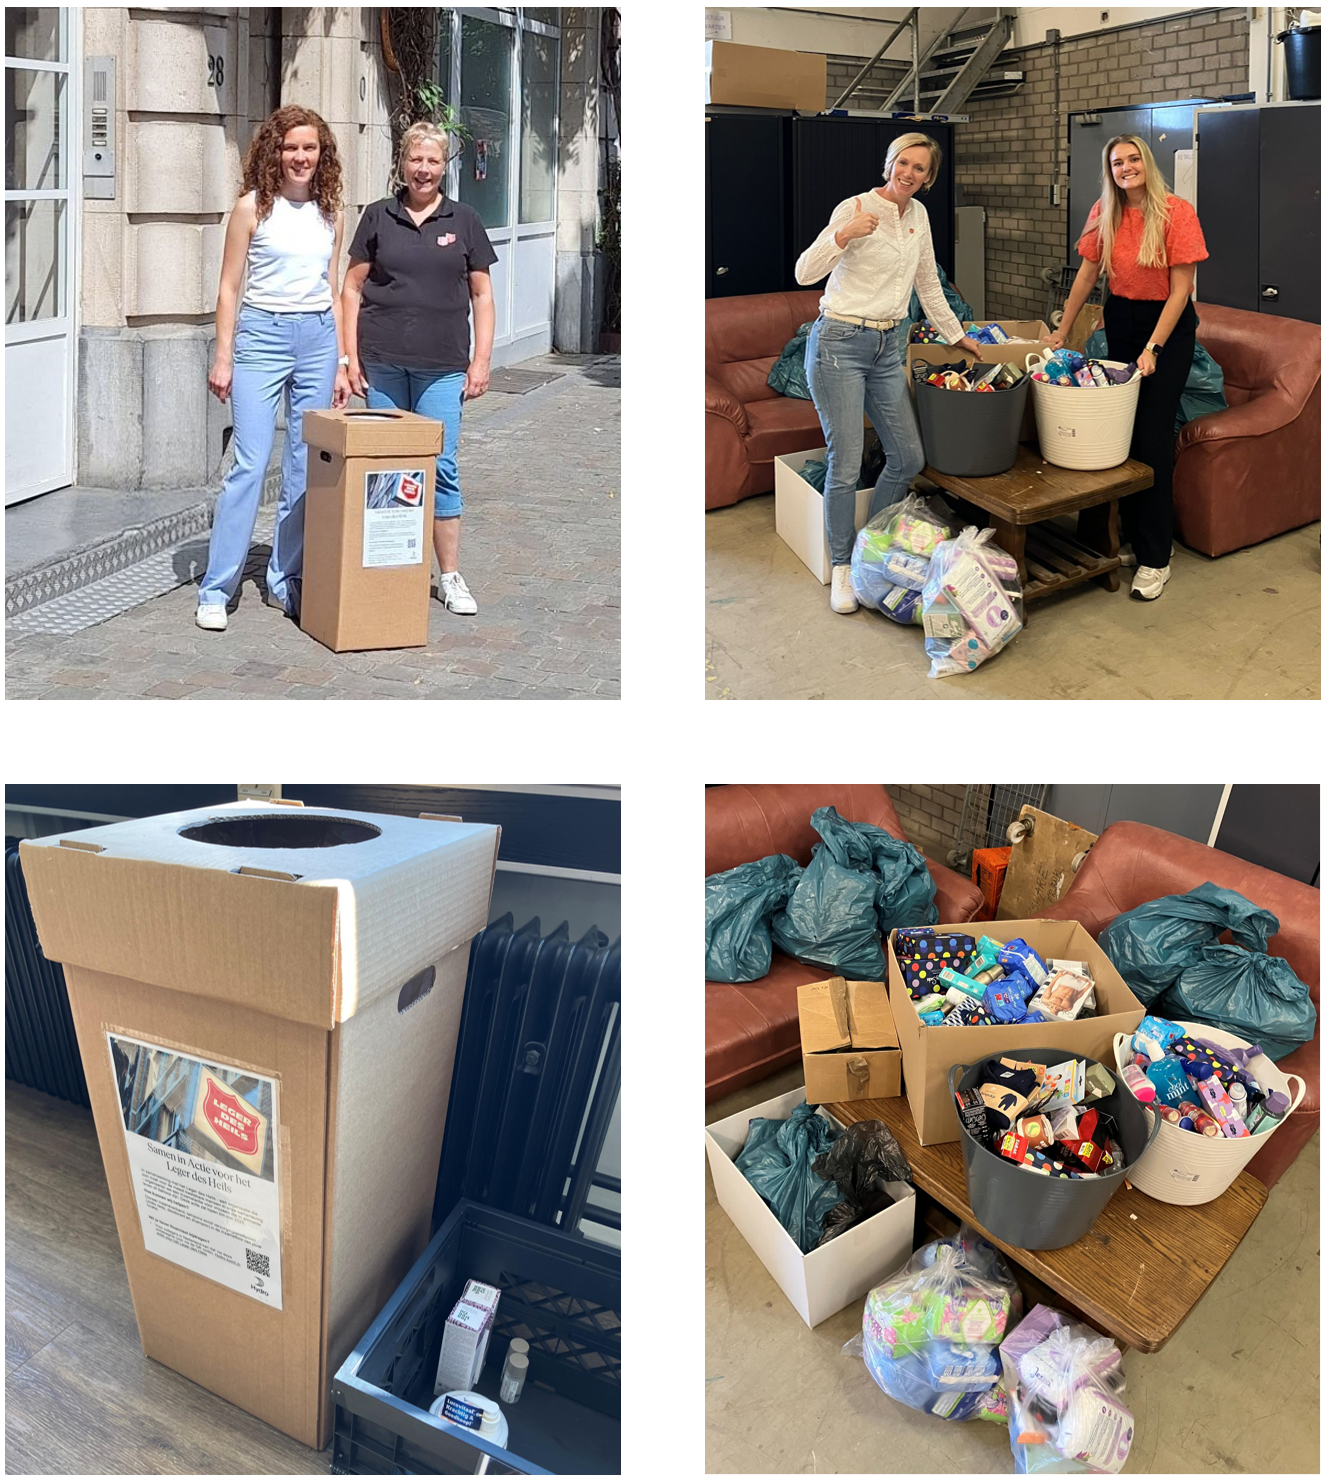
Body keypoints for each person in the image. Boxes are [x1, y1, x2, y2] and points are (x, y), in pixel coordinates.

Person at [795, 132, 984, 614]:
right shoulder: (854, 207)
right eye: (904, 163)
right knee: (846, 460)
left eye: (921, 168)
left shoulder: (918, 216)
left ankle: (870, 548)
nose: (910, 173)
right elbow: (803, 273)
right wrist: (842, 236)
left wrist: (955, 335)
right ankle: (843, 564)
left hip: (889, 344)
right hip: (839, 341)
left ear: (928, 179)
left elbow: (927, 282)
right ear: (889, 165)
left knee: (908, 455)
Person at [197, 106, 350, 631]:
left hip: (317, 340)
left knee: (305, 469)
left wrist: (342, 362)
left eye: (309, 148)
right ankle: (217, 587)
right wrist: (224, 355)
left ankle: (285, 581)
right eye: (291, 148)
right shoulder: (251, 209)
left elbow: (332, 291)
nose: (300, 157)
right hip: (261, 338)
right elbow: (228, 288)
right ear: (274, 152)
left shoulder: (332, 212)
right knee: (250, 462)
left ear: (321, 153)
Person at [342, 121, 497, 616]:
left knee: (441, 467)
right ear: (402, 164)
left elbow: (482, 294)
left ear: (443, 165)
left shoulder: (465, 219)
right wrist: (349, 357)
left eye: (432, 160)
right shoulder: (377, 217)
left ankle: (449, 575)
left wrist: (481, 361)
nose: (423, 169)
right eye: (416, 159)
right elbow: (351, 289)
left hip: (442, 368)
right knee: (388, 468)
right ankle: (393, 570)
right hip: (383, 365)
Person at [1048, 134, 1207, 601]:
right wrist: (1063, 329)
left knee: (1153, 438)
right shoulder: (1105, 212)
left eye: (1133, 159)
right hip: (1122, 319)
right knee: (1121, 432)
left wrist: (1154, 347)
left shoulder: (1177, 212)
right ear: (1110, 170)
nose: (1126, 167)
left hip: (1167, 328)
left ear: (1146, 163)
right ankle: (1134, 538)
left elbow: (1182, 291)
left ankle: (1157, 557)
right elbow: (1087, 273)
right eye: (1117, 162)